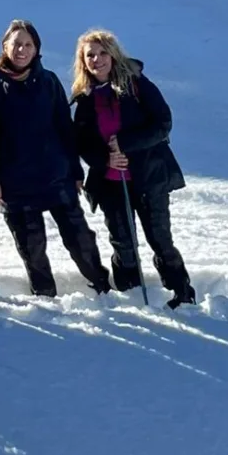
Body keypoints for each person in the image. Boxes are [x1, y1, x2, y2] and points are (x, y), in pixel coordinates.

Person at [0, 20, 111, 297]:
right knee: (31, 245)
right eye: (16, 44)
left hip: (56, 174)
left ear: (36, 48)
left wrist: (75, 171)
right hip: (15, 181)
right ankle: (45, 295)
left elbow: (65, 127)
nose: (22, 50)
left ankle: (101, 286)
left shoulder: (48, 80)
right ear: (5, 47)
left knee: (79, 238)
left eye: (28, 44)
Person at [70, 28, 197, 308]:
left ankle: (181, 292)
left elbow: (163, 122)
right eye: (90, 55)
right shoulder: (85, 97)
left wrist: (126, 143)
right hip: (111, 182)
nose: (97, 59)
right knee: (123, 244)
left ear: (114, 55)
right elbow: (81, 142)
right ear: (83, 61)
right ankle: (131, 295)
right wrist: (106, 159)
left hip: (149, 176)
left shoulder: (136, 83)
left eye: (103, 53)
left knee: (160, 238)